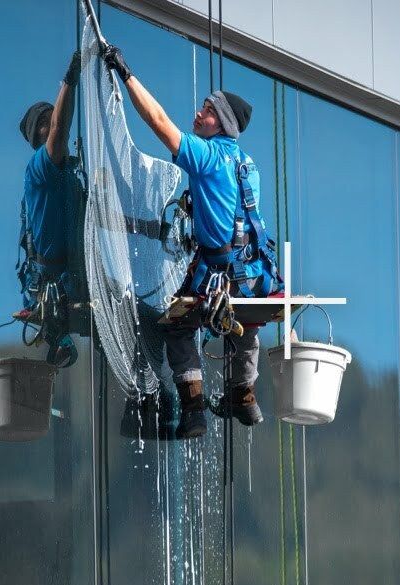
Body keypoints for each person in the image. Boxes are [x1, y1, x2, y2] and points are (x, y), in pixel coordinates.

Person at [102, 43, 282, 439]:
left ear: (220, 123)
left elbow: (160, 122)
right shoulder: (246, 164)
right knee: (247, 322)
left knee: (181, 328)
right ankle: (244, 394)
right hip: (253, 271)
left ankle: (194, 410)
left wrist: (126, 75)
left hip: (219, 270)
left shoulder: (207, 157)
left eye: (205, 109)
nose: (197, 113)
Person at [16, 51, 88, 367]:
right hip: (56, 287)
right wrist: (70, 79)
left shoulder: (68, 177)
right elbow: (61, 129)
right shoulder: (41, 168)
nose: (54, 122)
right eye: (46, 121)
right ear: (38, 135)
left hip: (77, 281)